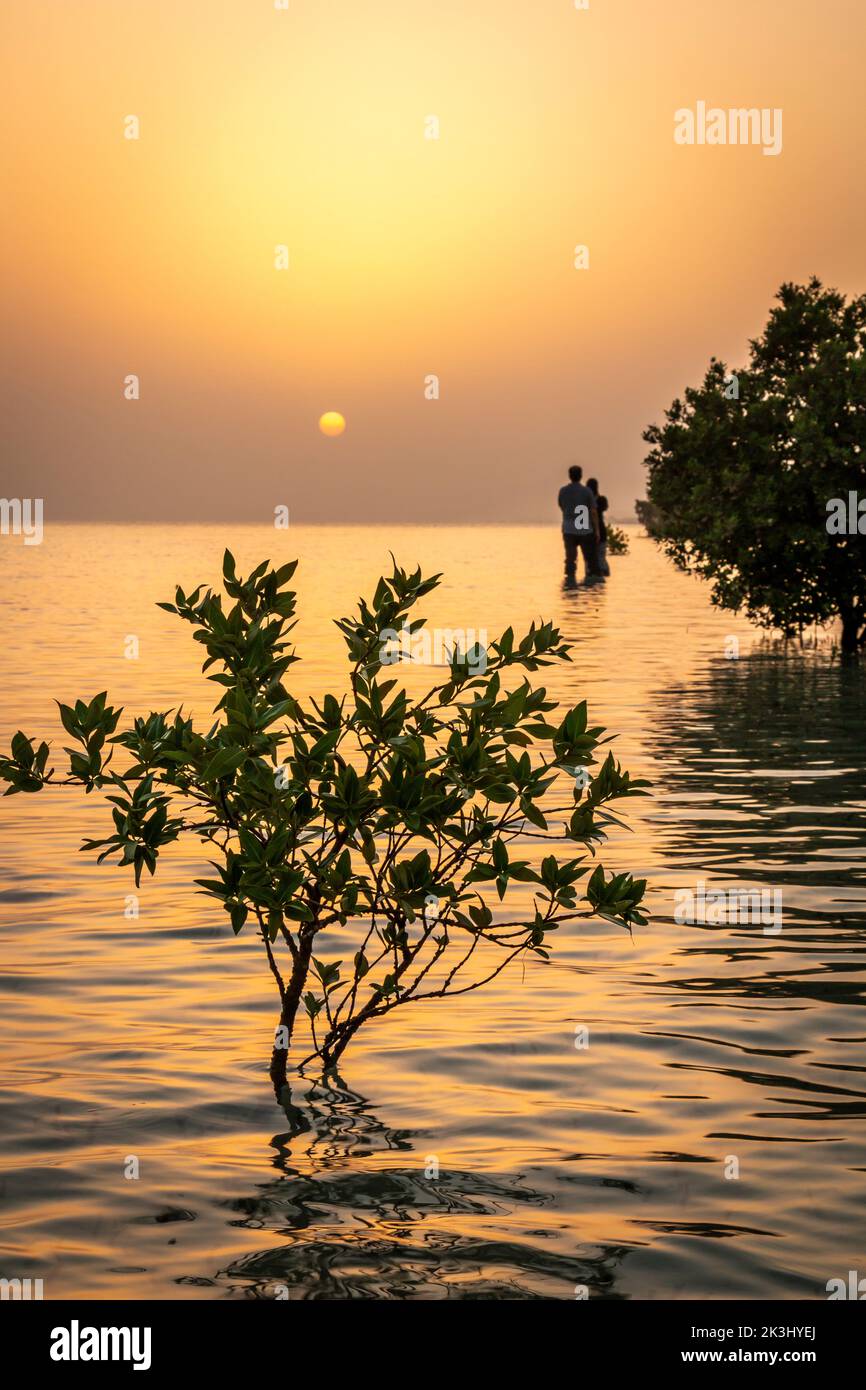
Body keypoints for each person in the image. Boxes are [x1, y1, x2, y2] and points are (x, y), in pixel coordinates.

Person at [557, 466, 601, 586]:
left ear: (569, 476)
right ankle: (591, 584)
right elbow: (593, 511)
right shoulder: (587, 491)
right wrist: (597, 530)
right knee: (589, 558)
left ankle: (570, 582)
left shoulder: (563, 491)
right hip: (584, 529)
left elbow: (561, 506)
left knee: (570, 558)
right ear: (581, 476)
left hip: (569, 529)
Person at [587, 478, 610, 576]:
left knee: (589, 558)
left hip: (589, 532)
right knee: (601, 557)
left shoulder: (586, 502)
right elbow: (604, 508)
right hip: (601, 530)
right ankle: (603, 576)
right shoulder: (602, 500)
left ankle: (591, 576)